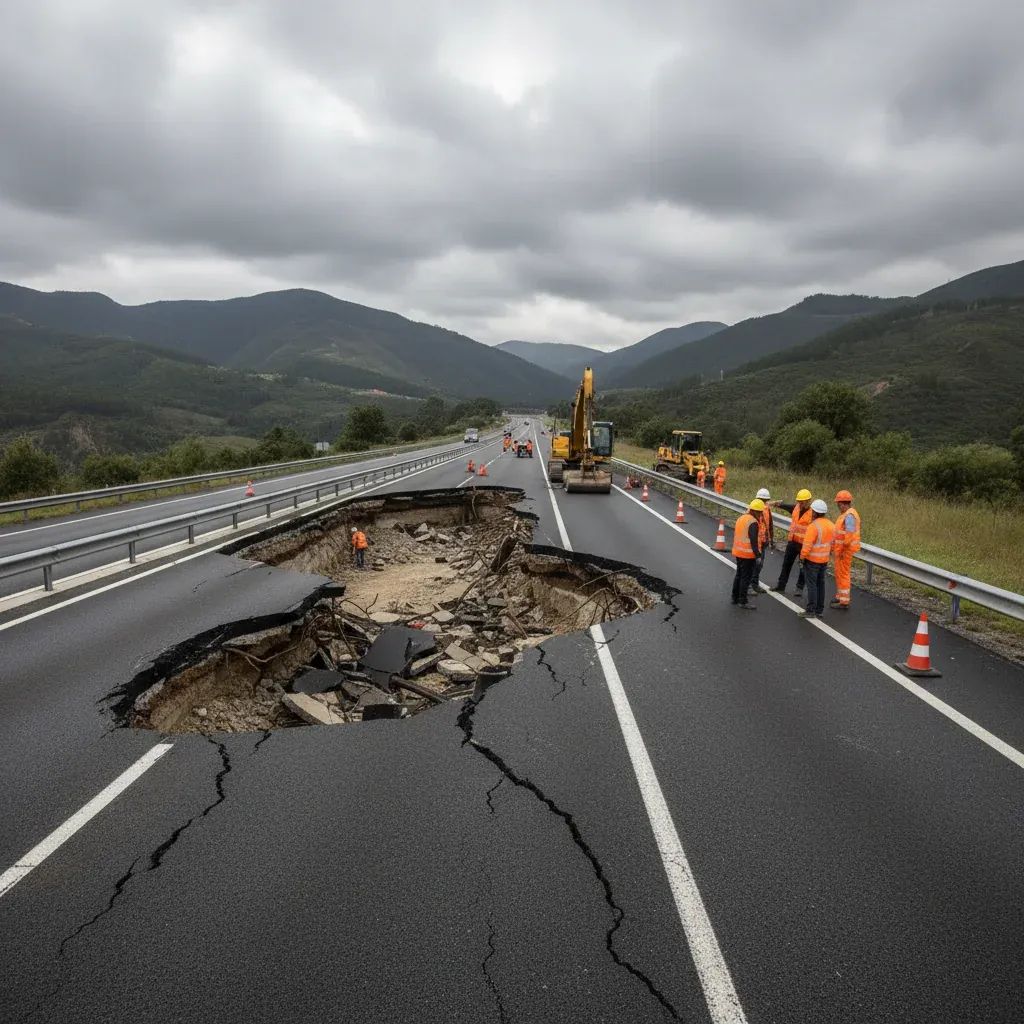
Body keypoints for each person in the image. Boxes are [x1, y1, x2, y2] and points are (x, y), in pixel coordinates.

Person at [770, 488, 813, 596]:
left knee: (803, 567)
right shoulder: (796, 508)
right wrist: (775, 504)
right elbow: (785, 506)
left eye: (801, 502)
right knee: (786, 564)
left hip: (804, 544)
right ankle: (781, 586)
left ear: (808, 501)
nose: (799, 503)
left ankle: (799, 588)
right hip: (793, 542)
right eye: (798, 501)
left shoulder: (813, 514)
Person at [799, 500, 834, 618]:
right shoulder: (831, 525)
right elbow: (833, 544)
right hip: (824, 560)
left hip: (812, 561)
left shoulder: (813, 526)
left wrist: (802, 557)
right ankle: (819, 610)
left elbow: (807, 545)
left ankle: (810, 610)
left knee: (812, 585)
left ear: (814, 512)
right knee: (821, 584)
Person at [830, 489, 861, 610]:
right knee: (839, 573)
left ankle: (844, 601)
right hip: (840, 550)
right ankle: (840, 596)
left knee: (843, 575)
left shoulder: (849, 516)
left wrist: (842, 550)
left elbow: (848, 536)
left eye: (838, 504)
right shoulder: (846, 514)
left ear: (843, 503)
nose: (838, 506)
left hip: (844, 551)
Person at [731, 498, 764, 610]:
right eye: (760, 512)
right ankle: (743, 601)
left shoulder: (741, 518)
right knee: (746, 578)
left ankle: (734, 598)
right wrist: (758, 556)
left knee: (739, 575)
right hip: (747, 554)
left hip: (738, 551)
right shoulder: (753, 522)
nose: (760, 515)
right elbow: (753, 540)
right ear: (755, 511)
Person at [749, 487, 774, 597]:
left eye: (765, 500)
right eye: (762, 500)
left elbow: (770, 524)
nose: (764, 502)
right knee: (752, 565)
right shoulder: (752, 509)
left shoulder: (767, 508)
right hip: (754, 542)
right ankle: (749, 586)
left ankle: (754, 583)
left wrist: (770, 539)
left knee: (759, 564)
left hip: (763, 541)